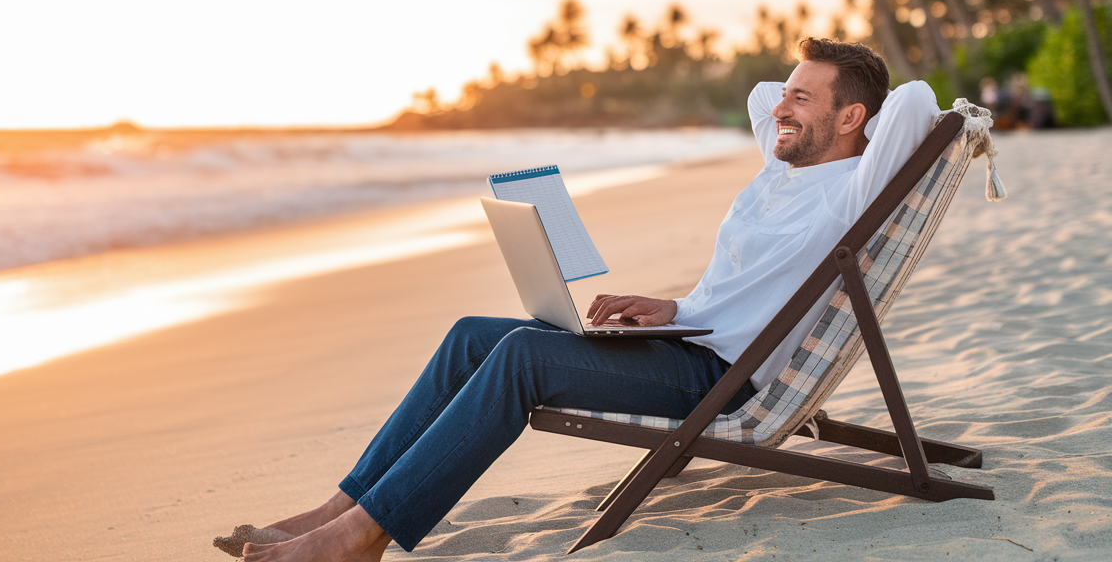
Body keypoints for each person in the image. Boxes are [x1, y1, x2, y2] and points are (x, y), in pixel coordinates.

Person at [217, 38, 940, 562]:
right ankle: (335, 510)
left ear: (853, 121)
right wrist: (675, 308)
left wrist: (877, 108)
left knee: (522, 355)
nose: (778, 108)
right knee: (475, 333)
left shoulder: (853, 190)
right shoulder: (783, 174)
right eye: (785, 93)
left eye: (802, 98)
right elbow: (750, 280)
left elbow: (914, 103)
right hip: (691, 341)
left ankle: (359, 540)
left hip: (721, 380)